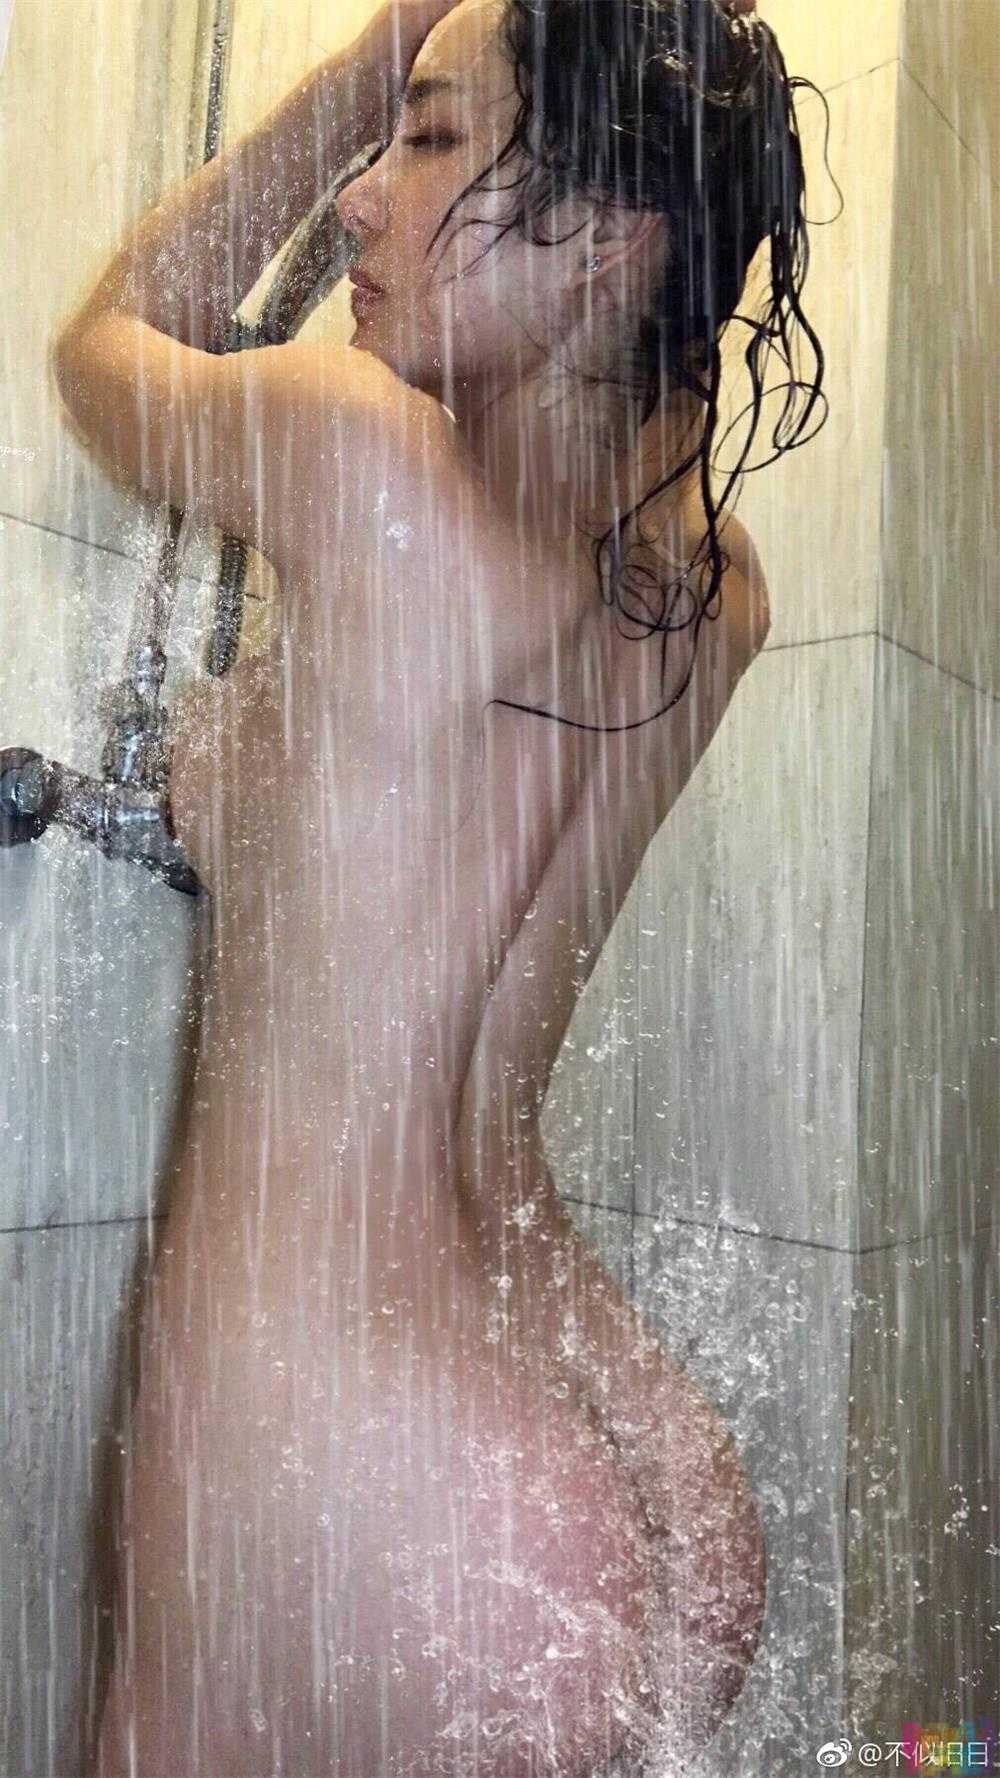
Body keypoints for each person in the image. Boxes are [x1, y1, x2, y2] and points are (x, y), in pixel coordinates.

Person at [52, 0, 824, 1771]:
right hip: (612, 1431)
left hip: (352, 1452)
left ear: (604, 238)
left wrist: (350, 68)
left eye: (430, 137)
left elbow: (113, 345)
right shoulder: (708, 598)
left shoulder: (358, 460)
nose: (364, 194)